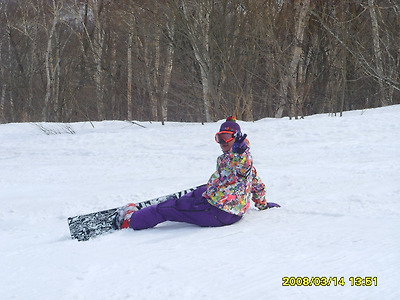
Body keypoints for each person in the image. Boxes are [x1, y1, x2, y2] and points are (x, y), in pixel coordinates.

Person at [115, 116, 280, 230]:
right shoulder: (233, 160)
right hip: (229, 208)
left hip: (218, 212)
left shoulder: (241, 158)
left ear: (236, 138)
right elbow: (256, 185)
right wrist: (263, 205)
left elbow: (242, 164)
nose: (222, 142)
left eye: (226, 137)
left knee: (167, 209)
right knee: (201, 190)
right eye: (219, 137)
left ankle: (132, 221)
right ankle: (191, 199)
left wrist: (241, 153)